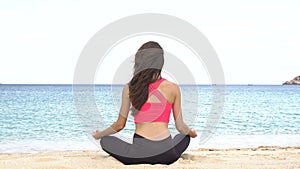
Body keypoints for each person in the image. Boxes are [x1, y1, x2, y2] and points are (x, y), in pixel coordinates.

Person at [92, 41, 197, 165]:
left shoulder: (130, 88)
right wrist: (191, 132)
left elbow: (119, 125)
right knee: (184, 137)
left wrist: (100, 135)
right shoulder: (172, 88)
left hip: (139, 153)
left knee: (105, 141)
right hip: (167, 154)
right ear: (161, 63)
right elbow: (180, 127)